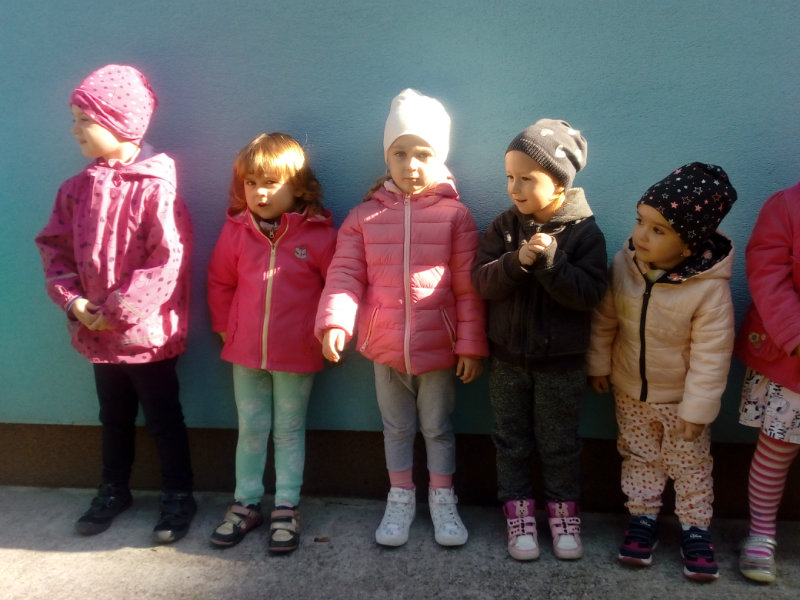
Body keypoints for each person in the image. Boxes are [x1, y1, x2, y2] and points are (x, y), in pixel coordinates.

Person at [315, 88, 488, 547]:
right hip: (384, 347)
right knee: (395, 428)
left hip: (439, 349)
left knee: (438, 428)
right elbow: (345, 274)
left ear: (440, 157)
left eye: (423, 154)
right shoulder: (363, 217)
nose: (411, 165)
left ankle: (443, 498)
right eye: (400, 153)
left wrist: (471, 344)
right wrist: (336, 322)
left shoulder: (457, 216)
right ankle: (400, 496)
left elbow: (468, 288)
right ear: (387, 157)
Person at [35, 64, 195, 543]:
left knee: (163, 418)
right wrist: (73, 303)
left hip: (147, 337)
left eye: (85, 119)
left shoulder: (155, 188)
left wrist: (120, 311)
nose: (75, 129)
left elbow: (167, 258)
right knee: (114, 417)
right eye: (75, 118)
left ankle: (178, 494)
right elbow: (54, 248)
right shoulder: (75, 190)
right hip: (97, 335)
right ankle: (113, 488)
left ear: (120, 122)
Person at [587, 163, 737, 581]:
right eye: (641, 221)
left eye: (658, 230)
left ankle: (695, 529)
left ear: (687, 245)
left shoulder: (708, 289)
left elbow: (712, 353)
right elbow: (606, 319)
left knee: (690, 464)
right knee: (639, 456)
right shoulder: (625, 265)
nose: (641, 235)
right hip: (630, 390)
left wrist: (698, 408)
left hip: (680, 401)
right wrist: (598, 363)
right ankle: (643, 519)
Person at [471, 120, 606, 561]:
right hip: (507, 362)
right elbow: (482, 282)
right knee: (510, 441)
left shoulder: (586, 233)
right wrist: (516, 262)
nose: (515, 188)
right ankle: (519, 514)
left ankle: (564, 514)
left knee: (559, 444)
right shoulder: (504, 227)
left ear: (560, 182)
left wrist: (550, 263)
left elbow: (589, 295)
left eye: (527, 178)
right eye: (510, 177)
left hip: (560, 366)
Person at [207, 133, 337, 553]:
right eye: (251, 183)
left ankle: (286, 505)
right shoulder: (236, 232)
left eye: (270, 183)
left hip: (297, 353)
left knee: (288, 430)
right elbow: (220, 281)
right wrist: (225, 326)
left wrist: (328, 330)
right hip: (244, 352)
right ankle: (246, 502)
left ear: (297, 187)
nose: (259, 193)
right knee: (250, 428)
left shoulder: (319, 236)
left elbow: (336, 286)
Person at [734, 180, 800, 583]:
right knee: (777, 449)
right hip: (791, 358)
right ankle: (761, 532)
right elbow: (768, 276)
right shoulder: (787, 206)